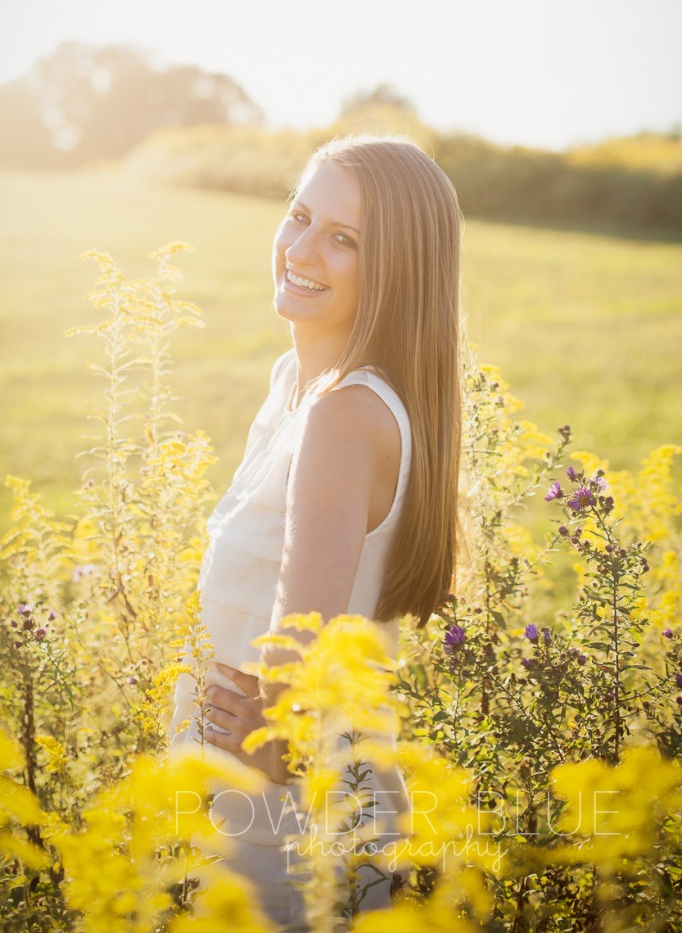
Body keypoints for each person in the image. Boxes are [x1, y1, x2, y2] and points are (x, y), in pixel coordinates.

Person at [169, 134, 463, 926]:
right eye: (300, 216)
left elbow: (301, 635)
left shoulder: (343, 417)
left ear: (396, 269)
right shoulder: (301, 384)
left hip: (284, 803)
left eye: (344, 239)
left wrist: (272, 750)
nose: (300, 249)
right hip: (274, 780)